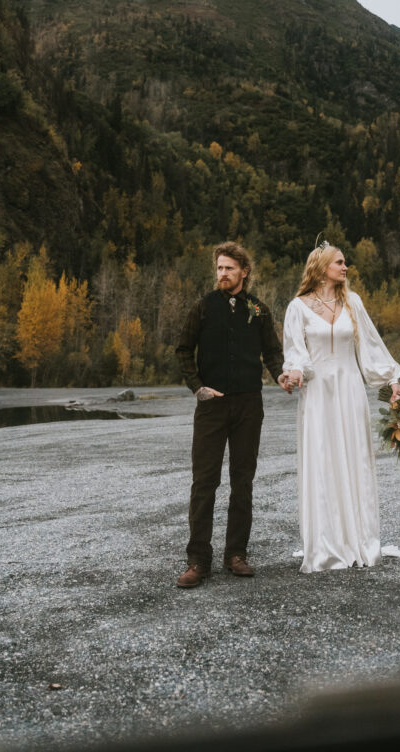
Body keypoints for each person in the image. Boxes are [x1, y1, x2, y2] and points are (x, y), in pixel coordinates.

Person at [282, 240, 400, 573]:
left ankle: (359, 539)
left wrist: (391, 380)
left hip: (350, 390)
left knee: (354, 459)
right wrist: (293, 372)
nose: (345, 267)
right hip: (318, 393)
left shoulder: (353, 302)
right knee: (323, 460)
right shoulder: (298, 307)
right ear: (321, 268)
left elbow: (371, 345)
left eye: (345, 262)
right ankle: (326, 544)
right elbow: (296, 353)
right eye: (339, 262)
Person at [175, 241, 290, 588]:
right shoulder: (203, 307)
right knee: (204, 482)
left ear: (244, 272)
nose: (222, 274)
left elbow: (272, 352)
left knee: (243, 482)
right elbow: (183, 349)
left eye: (228, 268)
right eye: (219, 268)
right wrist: (198, 387)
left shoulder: (259, 309)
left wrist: (281, 375)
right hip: (211, 406)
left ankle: (236, 554)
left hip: (248, 406)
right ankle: (198, 560)